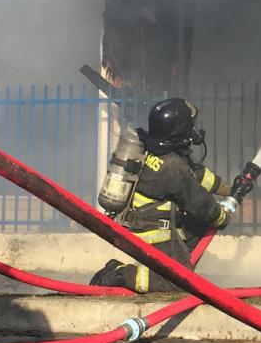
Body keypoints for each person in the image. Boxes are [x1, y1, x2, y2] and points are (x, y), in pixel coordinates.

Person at [90, 98, 234, 293]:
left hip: (141, 221)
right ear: (179, 131)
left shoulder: (157, 152)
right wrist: (221, 216)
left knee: (198, 229)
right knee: (175, 281)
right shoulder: (173, 167)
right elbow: (200, 203)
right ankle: (118, 273)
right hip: (154, 232)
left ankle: (173, 264)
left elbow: (196, 175)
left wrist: (229, 189)